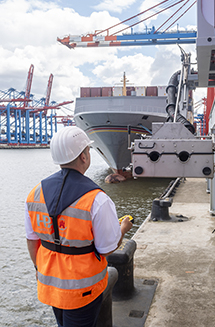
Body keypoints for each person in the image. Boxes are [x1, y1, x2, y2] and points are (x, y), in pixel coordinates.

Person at [25, 126, 132, 327]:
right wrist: (122, 229)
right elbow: (107, 248)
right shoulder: (97, 199)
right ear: (83, 157)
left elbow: (32, 241)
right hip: (83, 289)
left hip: (50, 284)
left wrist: (40, 269)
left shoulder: (35, 193)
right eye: (89, 151)